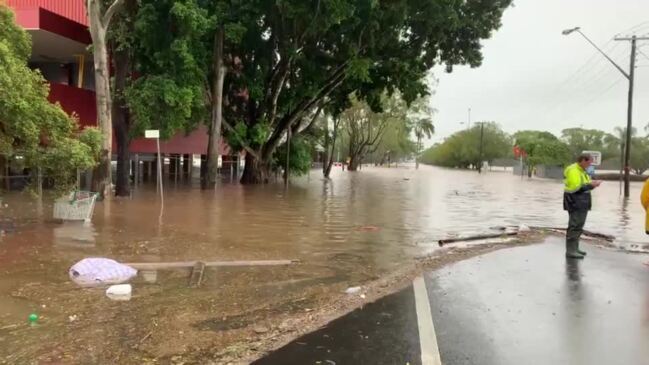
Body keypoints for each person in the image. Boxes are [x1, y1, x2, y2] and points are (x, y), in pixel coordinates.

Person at [563, 154, 602, 259]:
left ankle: (575, 248)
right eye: (589, 162)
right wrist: (591, 185)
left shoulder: (581, 170)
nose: (590, 165)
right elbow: (576, 188)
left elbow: (584, 185)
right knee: (574, 225)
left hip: (582, 202)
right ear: (583, 161)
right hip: (575, 202)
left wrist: (592, 184)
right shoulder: (574, 170)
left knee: (579, 226)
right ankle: (570, 250)